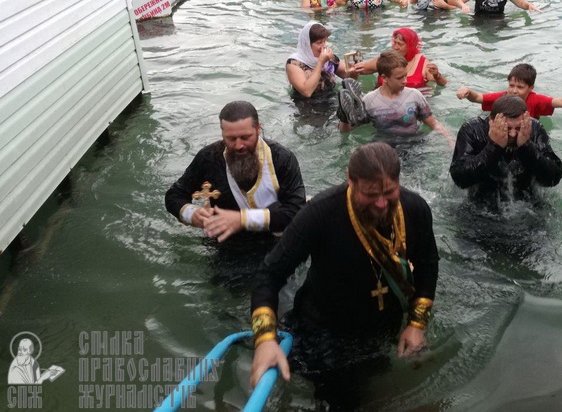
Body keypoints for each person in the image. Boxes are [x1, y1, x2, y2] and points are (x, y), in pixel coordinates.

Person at [249, 142, 439, 407]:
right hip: (326, 331)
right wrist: (265, 340)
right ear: (350, 180)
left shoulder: (415, 209)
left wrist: (416, 324)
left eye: (389, 192)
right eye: (370, 194)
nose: (382, 203)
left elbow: (429, 265)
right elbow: (268, 276)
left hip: (383, 324)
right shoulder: (320, 213)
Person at [164, 101, 306, 241]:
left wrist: (241, 219)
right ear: (222, 133)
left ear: (258, 129)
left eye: (245, 137)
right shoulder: (208, 158)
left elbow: (295, 211)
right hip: (227, 240)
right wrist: (192, 214)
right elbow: (174, 196)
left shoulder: (282, 159)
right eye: (231, 139)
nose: (239, 145)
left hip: (275, 236)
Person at [450, 94, 562, 203]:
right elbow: (460, 179)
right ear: (491, 121)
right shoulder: (473, 130)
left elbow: (553, 179)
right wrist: (494, 146)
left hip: (527, 201)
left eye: (518, 128)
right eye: (507, 128)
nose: (513, 134)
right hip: (481, 201)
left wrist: (526, 146)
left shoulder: (534, 129)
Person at [339, 51, 451, 140]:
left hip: (414, 143)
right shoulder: (369, 100)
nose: (405, 81)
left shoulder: (415, 96)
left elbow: (433, 123)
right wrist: (344, 118)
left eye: (405, 76)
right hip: (384, 146)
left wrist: (450, 140)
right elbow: (346, 131)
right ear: (384, 78)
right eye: (399, 78)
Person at [456, 63, 562, 119]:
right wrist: (468, 91)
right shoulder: (503, 97)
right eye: (511, 85)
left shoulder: (536, 100)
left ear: (531, 88)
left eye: (520, 87)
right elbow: (478, 98)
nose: (514, 91)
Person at [352, 28, 448, 88]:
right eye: (394, 43)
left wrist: (437, 75)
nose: (395, 47)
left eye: (400, 44)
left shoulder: (423, 63)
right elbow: (362, 69)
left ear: (410, 46)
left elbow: (443, 84)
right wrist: (354, 68)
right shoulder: (386, 59)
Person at [286, 21, 352, 98]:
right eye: (319, 42)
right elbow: (306, 92)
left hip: (330, 99)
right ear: (307, 44)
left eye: (324, 41)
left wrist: (354, 70)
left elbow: (349, 77)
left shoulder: (329, 58)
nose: (323, 46)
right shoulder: (293, 63)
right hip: (305, 105)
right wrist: (320, 63)